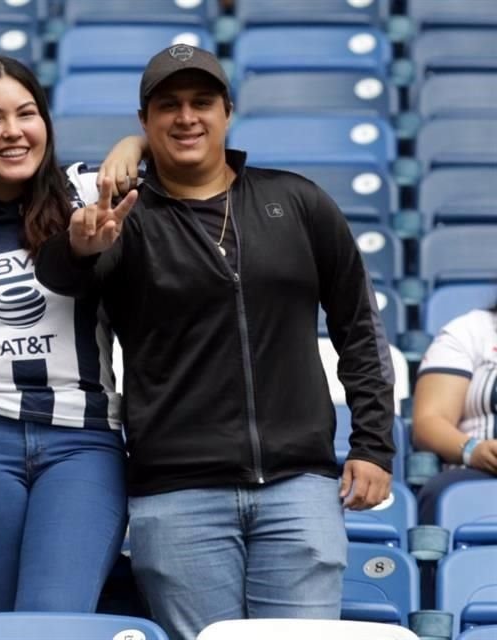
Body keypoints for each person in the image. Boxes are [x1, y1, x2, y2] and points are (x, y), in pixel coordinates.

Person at [35, 44, 396, 640]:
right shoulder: (125, 217)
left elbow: (359, 326)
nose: (187, 117)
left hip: (299, 487)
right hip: (177, 495)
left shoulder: (297, 200)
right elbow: (62, 276)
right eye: (168, 106)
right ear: (146, 123)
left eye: (202, 102)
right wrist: (80, 244)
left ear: (228, 111)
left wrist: (374, 445)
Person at [0, 54, 141, 615]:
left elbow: (187, 149)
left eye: (27, 113)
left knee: (55, 618)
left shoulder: (90, 192)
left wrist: (131, 146)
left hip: (82, 441)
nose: (13, 132)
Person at [412, 300, 497, 524]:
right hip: (479, 471)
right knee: (442, 494)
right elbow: (429, 421)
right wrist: (474, 450)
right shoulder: (471, 331)